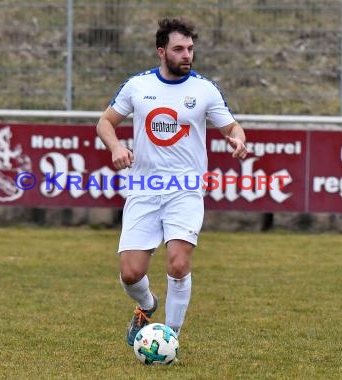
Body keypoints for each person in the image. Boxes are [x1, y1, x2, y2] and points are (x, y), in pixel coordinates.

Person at [96, 17, 247, 347]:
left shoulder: (204, 89)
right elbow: (105, 122)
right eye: (179, 49)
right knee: (131, 274)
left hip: (187, 189)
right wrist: (117, 146)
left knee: (178, 264)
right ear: (161, 52)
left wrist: (237, 139)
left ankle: (169, 338)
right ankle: (147, 305)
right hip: (144, 189)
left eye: (191, 49)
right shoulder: (138, 86)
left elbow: (232, 127)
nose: (187, 55)